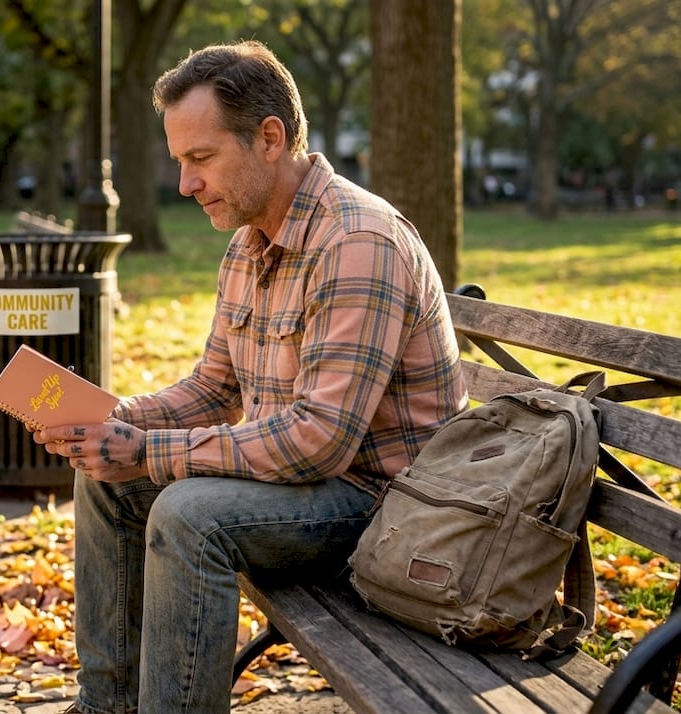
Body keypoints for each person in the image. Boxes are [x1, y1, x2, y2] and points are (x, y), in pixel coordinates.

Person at [32, 40, 468, 713]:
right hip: (304, 488)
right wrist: (113, 421)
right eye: (180, 161)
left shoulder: (357, 243)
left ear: (270, 138)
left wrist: (149, 452)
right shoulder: (248, 242)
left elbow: (319, 440)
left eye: (201, 158)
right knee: (105, 481)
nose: (186, 184)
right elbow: (214, 388)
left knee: (190, 516)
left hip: (384, 509)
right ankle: (106, 706)